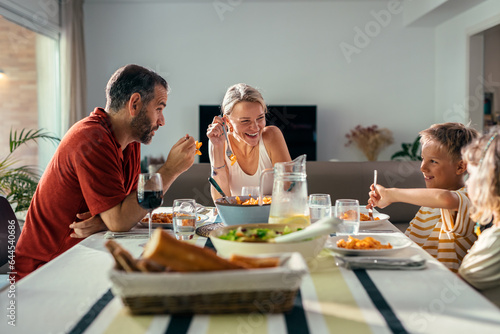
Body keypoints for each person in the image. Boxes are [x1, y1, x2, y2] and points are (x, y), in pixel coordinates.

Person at [14, 64, 197, 279]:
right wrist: (170, 170)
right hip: (45, 271)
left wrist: (105, 219)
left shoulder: (129, 142)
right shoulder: (92, 138)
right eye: (159, 108)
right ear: (135, 104)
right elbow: (120, 221)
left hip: (84, 254)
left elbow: (124, 210)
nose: (162, 121)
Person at [368, 122, 479, 272]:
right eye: (423, 159)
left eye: (433, 161)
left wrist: (391, 194)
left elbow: (445, 198)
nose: (422, 168)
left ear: (460, 166)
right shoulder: (429, 201)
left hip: (441, 282)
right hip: (413, 272)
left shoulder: (469, 198)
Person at [206, 83, 291, 201]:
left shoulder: (271, 136)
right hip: (238, 217)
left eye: (260, 118)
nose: (255, 127)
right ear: (228, 122)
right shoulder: (220, 143)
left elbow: (290, 191)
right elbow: (222, 202)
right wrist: (217, 147)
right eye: (245, 121)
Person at [458, 129, 500, 307]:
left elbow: (456, 292)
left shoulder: (495, 241)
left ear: (488, 181)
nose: (466, 182)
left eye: (471, 174)